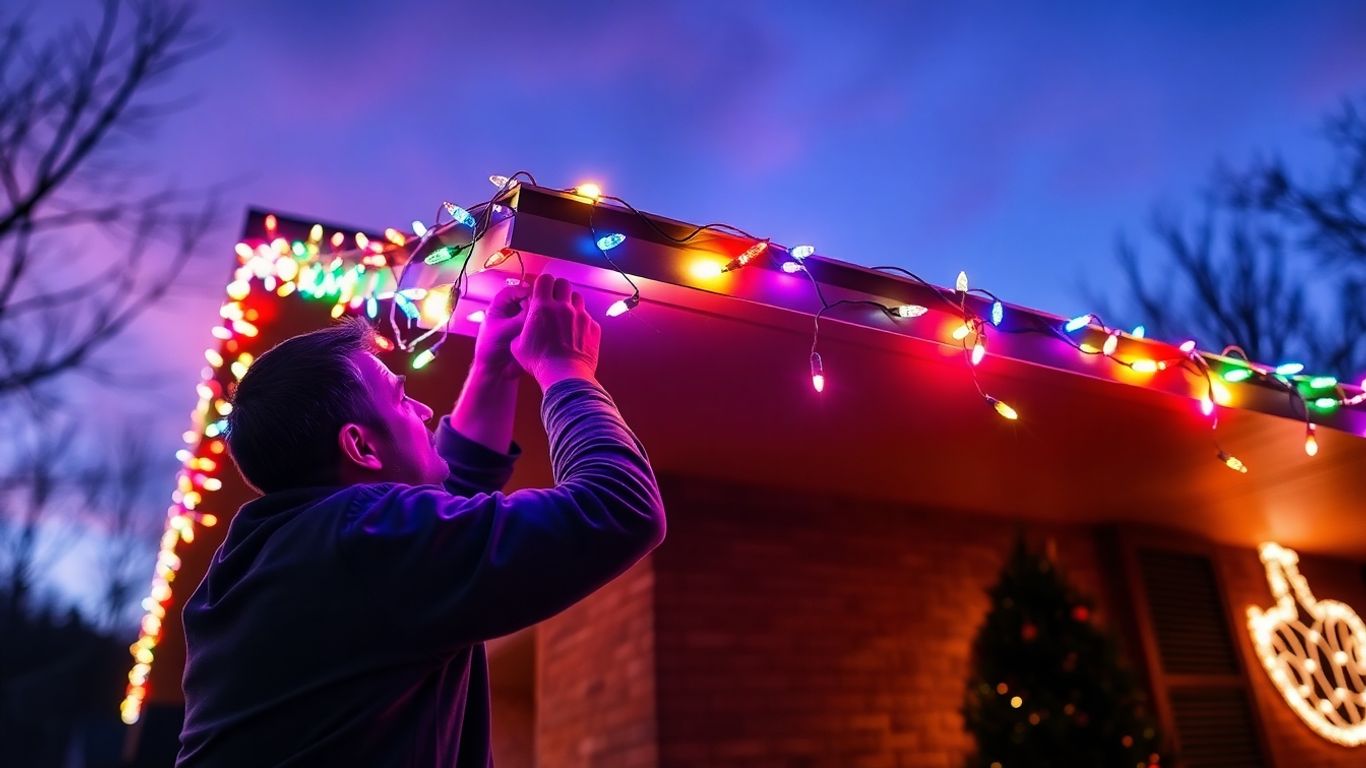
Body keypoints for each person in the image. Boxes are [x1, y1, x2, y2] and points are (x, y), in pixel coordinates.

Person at [176, 273, 666, 767]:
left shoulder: (276, 549)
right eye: (401, 399)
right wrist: (565, 366)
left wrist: (493, 369)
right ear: (361, 446)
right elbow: (619, 506)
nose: (425, 407)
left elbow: (445, 502)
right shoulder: (364, 538)